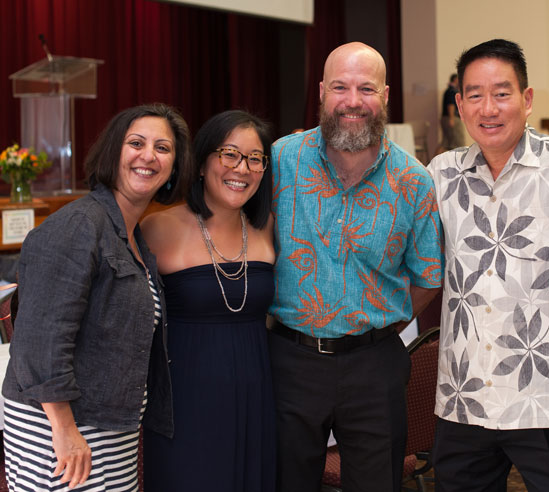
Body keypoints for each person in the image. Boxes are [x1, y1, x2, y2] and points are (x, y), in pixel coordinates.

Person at [269, 41, 443, 492]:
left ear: (385, 95)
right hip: (289, 361)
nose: (352, 101)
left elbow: (427, 277)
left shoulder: (414, 181)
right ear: (322, 92)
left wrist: (374, 325)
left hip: (374, 365)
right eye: (340, 87)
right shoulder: (280, 161)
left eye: (366, 88)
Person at [427, 39, 549, 491]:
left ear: (526, 99)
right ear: (460, 105)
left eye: (502, 93)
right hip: (465, 397)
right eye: (475, 95)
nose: (489, 108)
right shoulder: (440, 174)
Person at [2, 104, 192, 491]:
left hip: (109, 424)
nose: (148, 156)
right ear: (112, 152)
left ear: (174, 166)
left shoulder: (132, 235)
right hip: (57, 423)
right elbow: (39, 341)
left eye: (163, 148)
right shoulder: (77, 225)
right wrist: (65, 429)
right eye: (136, 143)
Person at [141, 110, 276, 492]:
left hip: (256, 393)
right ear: (201, 163)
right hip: (184, 398)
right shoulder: (155, 227)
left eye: (254, 158)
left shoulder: (269, 228)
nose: (242, 168)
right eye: (229, 154)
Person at [439, 73, 465, 152]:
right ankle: (459, 163)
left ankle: (432, 162)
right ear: (455, 80)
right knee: (457, 144)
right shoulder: (452, 91)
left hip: (446, 118)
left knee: (445, 144)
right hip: (452, 118)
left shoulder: (448, 90)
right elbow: (451, 105)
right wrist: (451, 118)